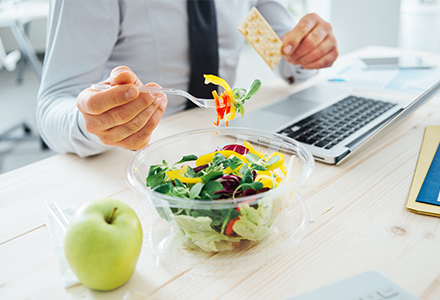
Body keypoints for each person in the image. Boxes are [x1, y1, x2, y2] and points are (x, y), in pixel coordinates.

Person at [36, 0, 338, 157]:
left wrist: (308, 51)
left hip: (224, 142)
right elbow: (53, 105)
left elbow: (285, 58)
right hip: (129, 159)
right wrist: (98, 122)